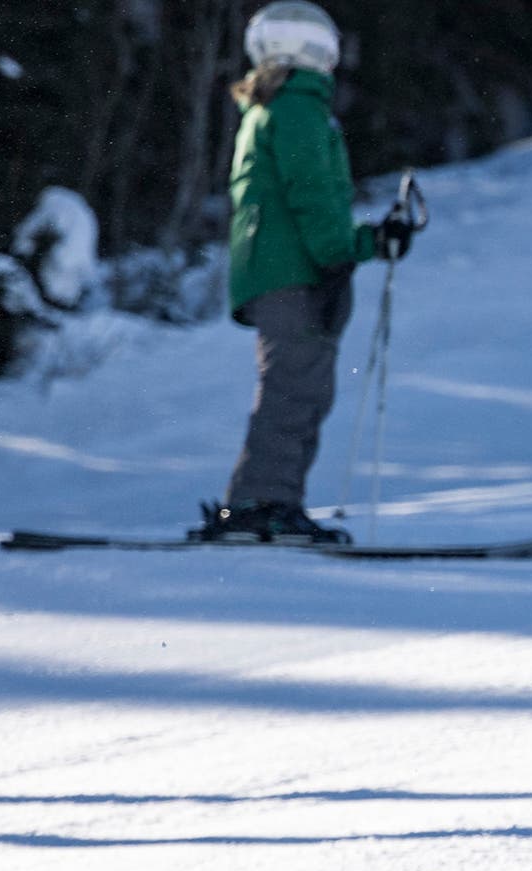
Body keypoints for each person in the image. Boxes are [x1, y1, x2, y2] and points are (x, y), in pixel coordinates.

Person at [194, 2, 414, 545]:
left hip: (283, 270)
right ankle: (258, 507)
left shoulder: (275, 106)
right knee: (295, 390)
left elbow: (307, 203)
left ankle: (265, 504)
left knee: (301, 390)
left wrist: (367, 243)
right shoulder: (296, 108)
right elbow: (312, 196)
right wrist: (346, 251)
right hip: (294, 275)